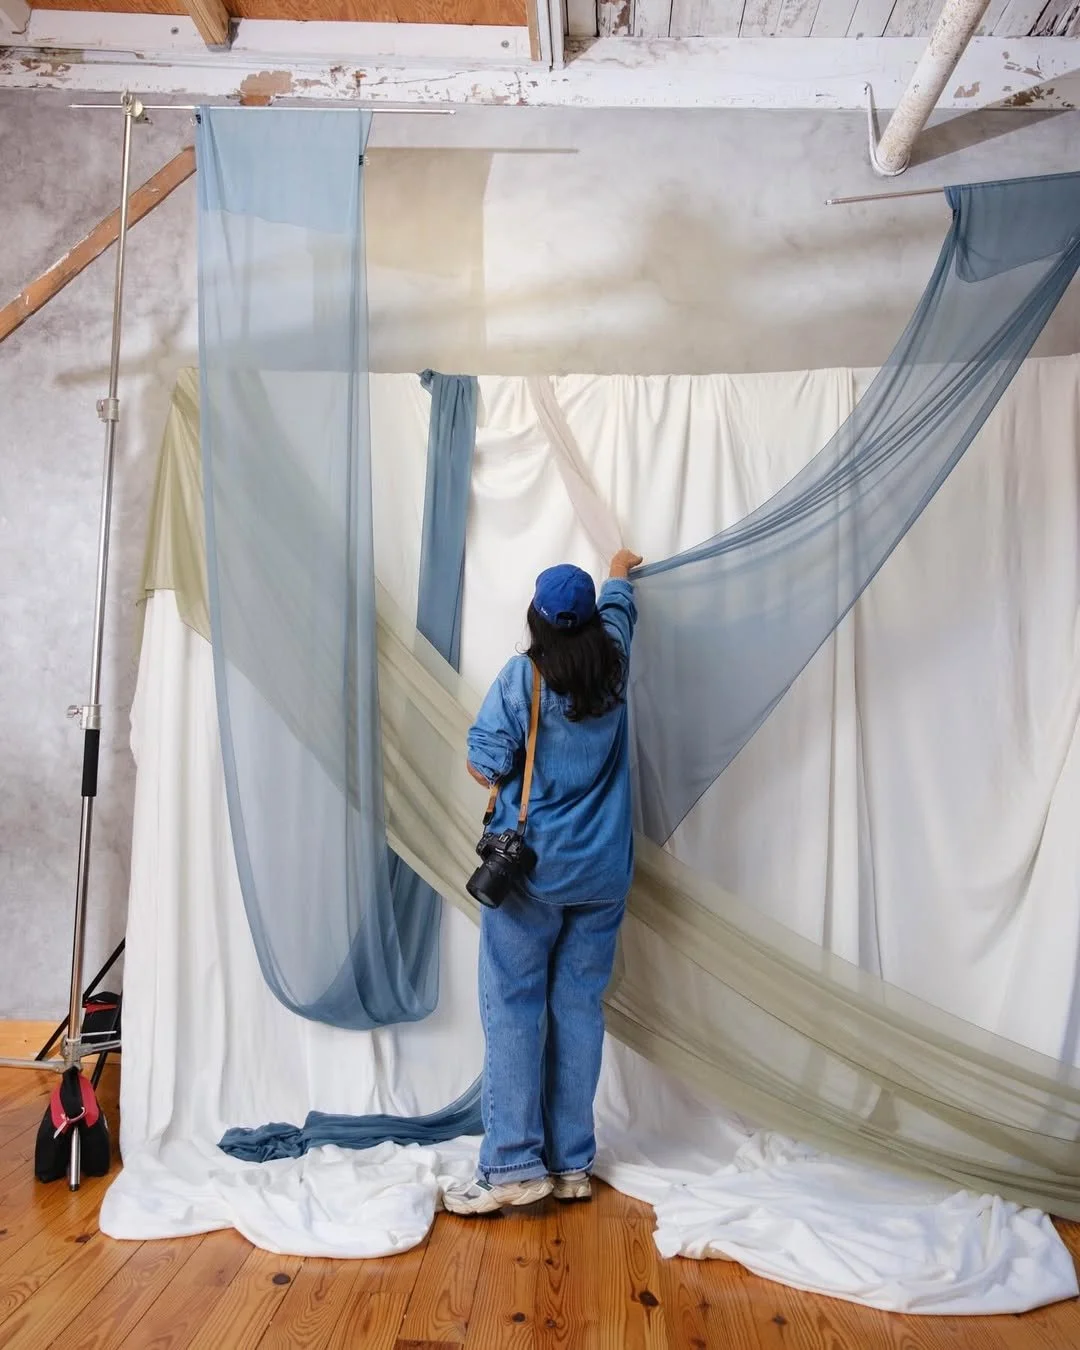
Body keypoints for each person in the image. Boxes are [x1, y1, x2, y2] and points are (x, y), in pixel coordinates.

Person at [443, 548, 642, 1216]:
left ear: (538, 619)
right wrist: (618, 567)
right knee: (579, 1008)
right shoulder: (614, 659)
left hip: (534, 873)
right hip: (604, 874)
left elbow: (483, 765)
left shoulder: (523, 677)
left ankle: (512, 1166)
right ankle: (571, 1166)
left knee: (514, 1006)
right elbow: (620, 607)